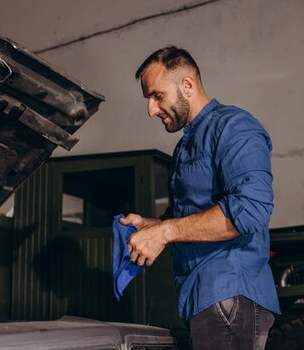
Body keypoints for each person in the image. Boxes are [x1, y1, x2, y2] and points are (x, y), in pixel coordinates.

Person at [120, 46, 279, 350]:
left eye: (157, 96)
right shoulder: (185, 146)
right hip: (203, 296)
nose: (151, 110)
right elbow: (194, 215)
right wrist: (152, 224)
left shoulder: (234, 127)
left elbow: (251, 209)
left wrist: (165, 233)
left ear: (187, 86)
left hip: (229, 294)